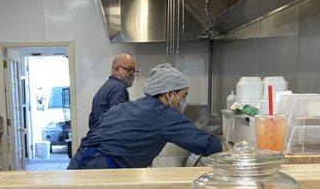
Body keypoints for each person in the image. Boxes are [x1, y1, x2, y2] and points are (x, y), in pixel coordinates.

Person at [68, 63, 222, 170]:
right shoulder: (164, 115)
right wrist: (235, 149)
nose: (183, 101)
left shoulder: (127, 107)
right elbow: (209, 145)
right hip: (102, 170)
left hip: (79, 161)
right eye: (183, 95)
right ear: (169, 94)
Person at [88, 54, 137, 130]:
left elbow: (91, 121)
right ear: (116, 70)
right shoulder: (118, 88)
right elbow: (118, 121)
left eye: (134, 71)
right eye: (129, 70)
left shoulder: (104, 88)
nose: (133, 74)